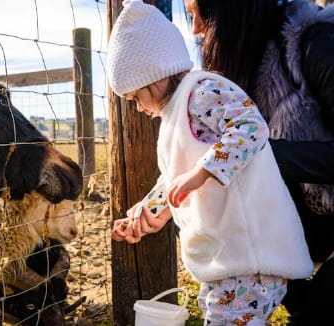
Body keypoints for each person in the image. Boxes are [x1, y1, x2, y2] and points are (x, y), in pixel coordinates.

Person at [107, 0, 314, 325]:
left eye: (135, 98)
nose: (136, 109)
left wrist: (202, 172)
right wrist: (154, 210)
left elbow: (251, 127)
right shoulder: (175, 112)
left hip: (252, 258)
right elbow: (176, 175)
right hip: (228, 260)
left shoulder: (202, 90)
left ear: (154, 75)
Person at [178, 1, 334, 324]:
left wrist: (262, 153)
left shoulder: (314, 44)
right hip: (307, 227)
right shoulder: (239, 72)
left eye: (198, 13)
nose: (194, 29)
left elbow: (263, 156)